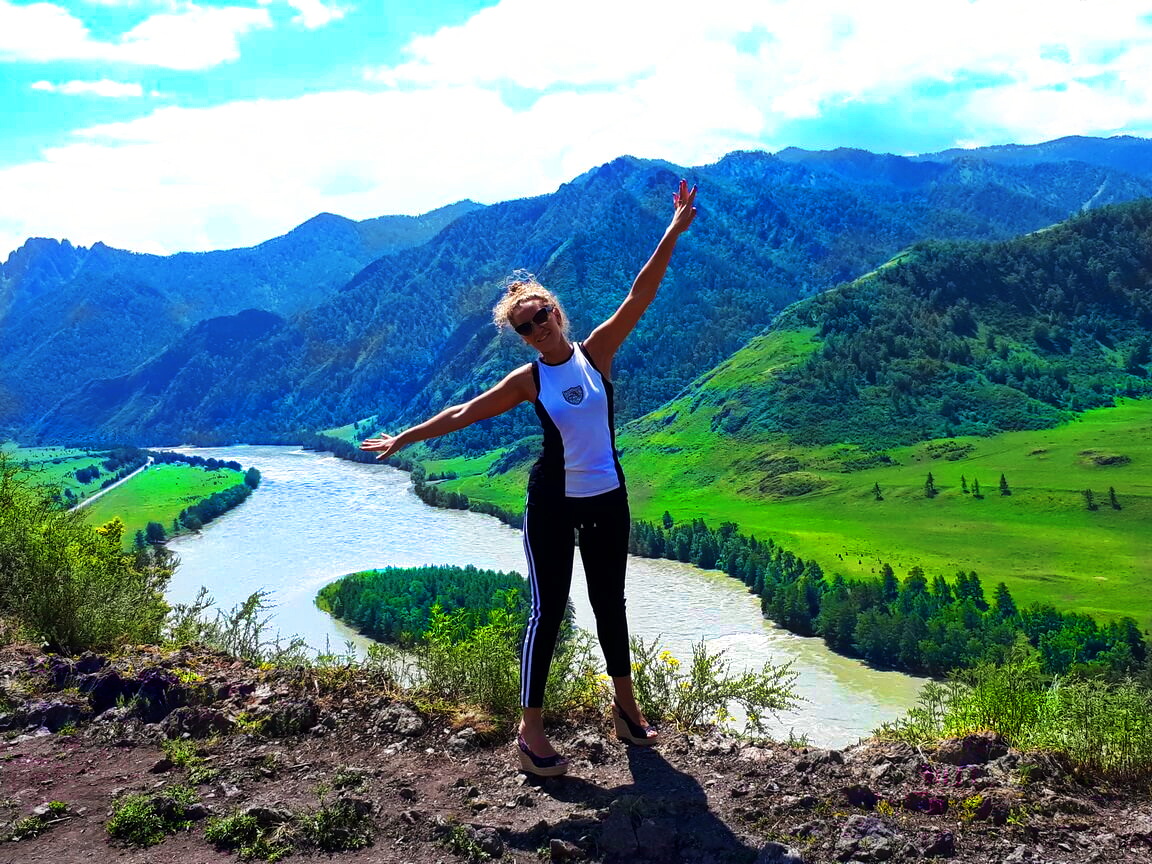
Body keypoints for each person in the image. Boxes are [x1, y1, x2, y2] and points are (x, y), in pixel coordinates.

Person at [360, 179, 698, 776]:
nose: (537, 327)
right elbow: (464, 413)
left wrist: (672, 230)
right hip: (552, 504)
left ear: (556, 312)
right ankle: (529, 729)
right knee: (549, 610)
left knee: (610, 602)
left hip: (608, 497)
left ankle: (626, 710)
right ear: (520, 338)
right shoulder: (530, 380)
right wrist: (403, 438)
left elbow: (640, 293)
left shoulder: (597, 353)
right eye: (525, 327)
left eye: (541, 315)